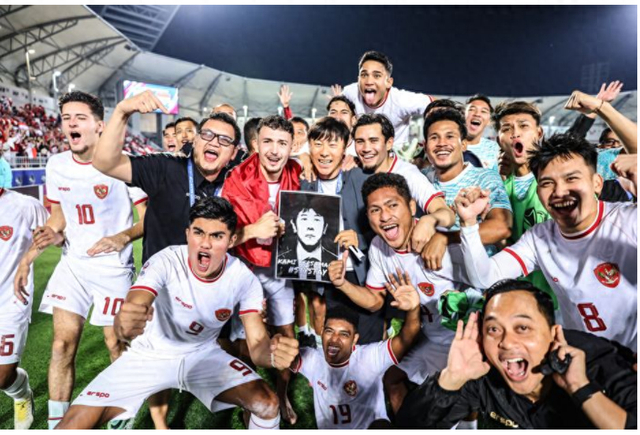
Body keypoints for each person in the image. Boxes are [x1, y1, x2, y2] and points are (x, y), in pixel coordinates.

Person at [55, 197, 300, 430]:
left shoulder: (244, 279)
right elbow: (135, 304)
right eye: (198, 232)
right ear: (187, 234)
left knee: (268, 404)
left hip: (203, 355)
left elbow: (257, 346)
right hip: (149, 355)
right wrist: (124, 324)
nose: (205, 243)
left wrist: (273, 354)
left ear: (232, 239)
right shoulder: (166, 260)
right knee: (70, 426)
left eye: (217, 236)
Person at [13, 91, 148, 429]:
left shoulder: (124, 163)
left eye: (80, 118)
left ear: (100, 126)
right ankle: (56, 424)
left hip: (113, 267)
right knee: (61, 344)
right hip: (73, 265)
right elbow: (57, 217)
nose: (71, 123)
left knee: (115, 342)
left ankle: (123, 411)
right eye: (66, 118)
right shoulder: (56, 164)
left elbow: (149, 218)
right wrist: (32, 254)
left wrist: (122, 237)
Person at [456, 134, 637, 351]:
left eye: (571, 179)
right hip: (585, 359)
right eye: (547, 183)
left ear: (596, 183)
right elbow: (484, 277)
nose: (559, 192)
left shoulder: (628, 220)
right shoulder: (539, 238)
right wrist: (468, 224)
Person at [397, 279, 637, 429]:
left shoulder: (597, 360)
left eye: (522, 327)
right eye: (493, 329)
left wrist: (580, 388)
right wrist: (450, 379)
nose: (506, 342)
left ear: (554, 333)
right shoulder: (482, 371)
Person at [329, 173, 476, 415]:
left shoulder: (440, 240)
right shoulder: (378, 247)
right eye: (375, 210)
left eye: (392, 205)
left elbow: (483, 275)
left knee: (458, 399)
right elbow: (375, 301)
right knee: (392, 379)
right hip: (429, 338)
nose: (384, 216)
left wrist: (440, 230)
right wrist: (342, 284)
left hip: (461, 339)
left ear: (411, 207)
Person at [92, 90, 241, 264]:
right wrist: (121, 112)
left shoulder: (236, 185)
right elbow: (105, 163)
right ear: (195, 140)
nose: (214, 142)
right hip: (160, 278)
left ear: (234, 152)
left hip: (207, 277)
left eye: (224, 139)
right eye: (207, 134)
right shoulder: (164, 167)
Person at [221, 115, 301, 424]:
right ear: (256, 143)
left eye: (282, 143)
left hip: (282, 269)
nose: (274, 150)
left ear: (292, 146)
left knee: (287, 335)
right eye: (267, 141)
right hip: (247, 269)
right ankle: (251, 401)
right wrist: (254, 229)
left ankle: (282, 395)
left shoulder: (298, 172)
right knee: (247, 343)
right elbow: (223, 237)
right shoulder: (237, 178)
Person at [290, 282, 420, 429]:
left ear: (355, 339)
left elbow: (406, 339)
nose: (334, 339)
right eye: (329, 331)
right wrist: (277, 348)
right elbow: (283, 357)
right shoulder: (313, 359)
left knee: (380, 426)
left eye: (344, 334)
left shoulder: (370, 358)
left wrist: (413, 310)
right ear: (322, 333)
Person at [421, 108, 512, 270]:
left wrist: (445, 238)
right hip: (433, 279)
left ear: (463, 145)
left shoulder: (484, 178)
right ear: (425, 146)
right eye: (434, 137)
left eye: (450, 136)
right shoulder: (420, 179)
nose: (442, 143)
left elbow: (501, 227)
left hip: (476, 279)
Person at [1, 188, 48, 429]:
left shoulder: (26, 206)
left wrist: (27, 260)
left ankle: (21, 393)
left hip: (10, 300)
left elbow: (53, 232)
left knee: (2, 376)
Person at [340, 51, 433, 156]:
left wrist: (428, 138)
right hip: (363, 154)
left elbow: (435, 105)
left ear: (389, 82)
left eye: (377, 76)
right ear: (358, 79)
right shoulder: (349, 93)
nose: (369, 81)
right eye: (364, 75)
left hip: (395, 156)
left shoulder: (400, 100)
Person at [276, 202, 338, 282]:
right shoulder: (281, 260)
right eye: (304, 219)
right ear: (294, 225)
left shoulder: (335, 262)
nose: (310, 227)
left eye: (316, 219)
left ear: (325, 227)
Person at [464, 94, 501, 171]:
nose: (477, 114)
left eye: (483, 111)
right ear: (462, 115)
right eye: (472, 109)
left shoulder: (495, 149)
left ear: (489, 121)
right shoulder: (450, 144)